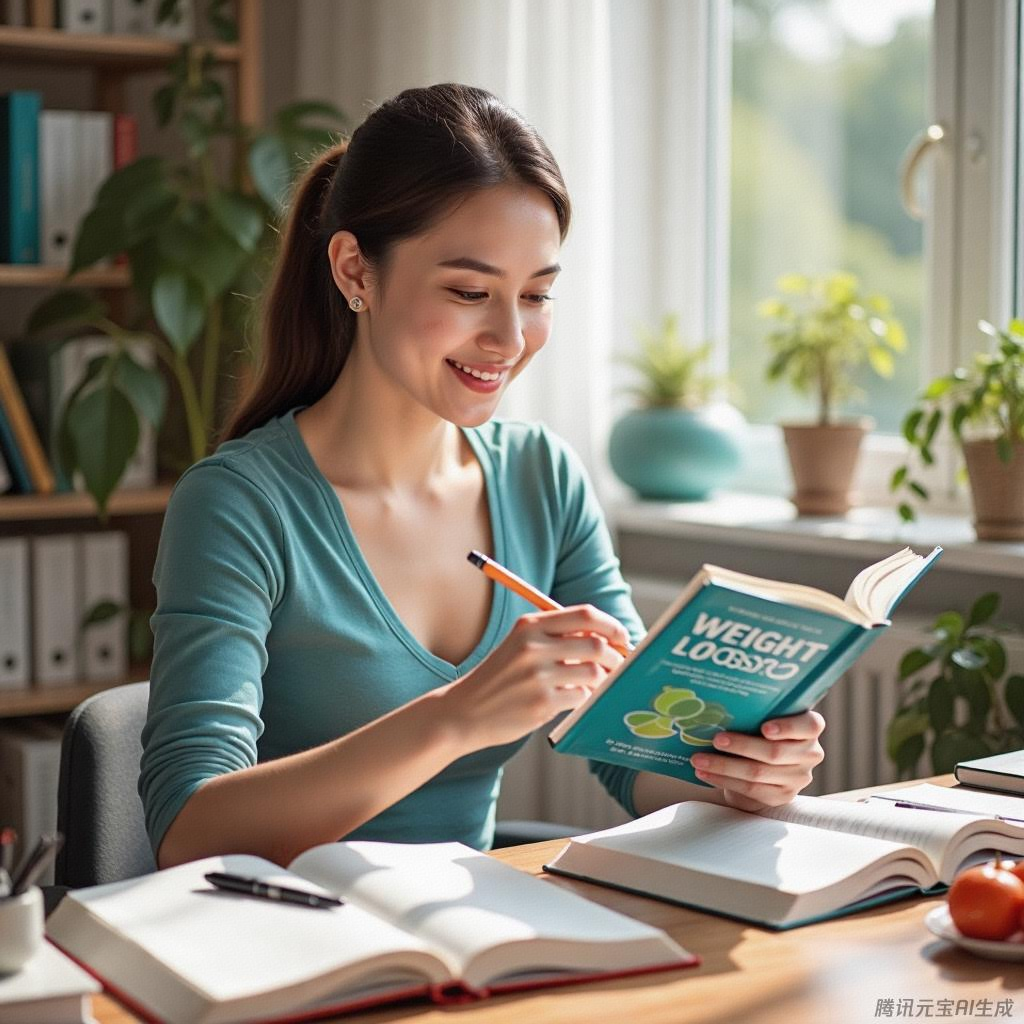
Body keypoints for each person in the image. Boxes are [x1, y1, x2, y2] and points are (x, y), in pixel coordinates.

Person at [140, 83, 825, 871]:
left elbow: (631, 756)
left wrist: (737, 777)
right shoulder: (238, 505)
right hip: (288, 947)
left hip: (470, 947)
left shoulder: (543, 477)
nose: (508, 337)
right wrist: (457, 717)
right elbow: (187, 832)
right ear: (355, 270)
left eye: (536, 295)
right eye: (470, 292)